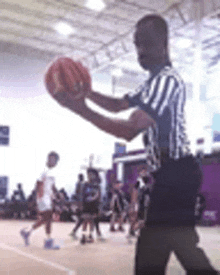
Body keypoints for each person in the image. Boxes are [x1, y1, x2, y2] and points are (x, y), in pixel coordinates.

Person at [50, 13, 218, 275]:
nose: (141, 51)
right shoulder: (151, 83)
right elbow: (118, 105)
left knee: (152, 253)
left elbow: (128, 131)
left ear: (164, 44)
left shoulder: (167, 80)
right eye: (137, 44)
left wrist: (78, 108)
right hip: (171, 176)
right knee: (182, 246)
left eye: (147, 43)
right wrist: (87, 93)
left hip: (177, 173)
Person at [20, 151, 60, 249]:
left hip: (48, 198)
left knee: (46, 219)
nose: (51, 161)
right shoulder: (44, 170)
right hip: (42, 198)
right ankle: (47, 242)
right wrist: (38, 198)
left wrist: (57, 193)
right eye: (50, 158)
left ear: (56, 162)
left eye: (54, 159)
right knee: (48, 218)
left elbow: (52, 186)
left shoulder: (53, 172)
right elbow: (38, 184)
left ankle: (27, 232)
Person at [80, 168, 104, 244]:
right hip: (86, 205)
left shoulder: (97, 186)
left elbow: (99, 197)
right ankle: (83, 236)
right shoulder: (85, 184)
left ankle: (90, 235)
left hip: (94, 205)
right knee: (85, 221)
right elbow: (82, 195)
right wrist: (80, 204)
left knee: (91, 221)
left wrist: (99, 207)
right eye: (88, 175)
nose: (90, 176)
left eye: (92, 175)